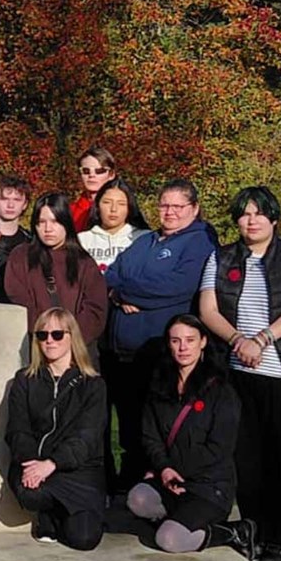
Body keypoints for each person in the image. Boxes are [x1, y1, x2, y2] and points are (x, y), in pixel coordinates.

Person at [198, 186, 281, 561]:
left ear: (273, 218)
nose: (251, 220)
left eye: (258, 213)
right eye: (244, 214)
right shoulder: (221, 258)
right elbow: (209, 309)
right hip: (237, 373)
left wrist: (261, 339)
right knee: (245, 459)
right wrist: (238, 341)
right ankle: (253, 530)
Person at [103, 179, 216, 495]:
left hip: (160, 355)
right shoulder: (146, 241)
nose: (169, 212)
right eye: (164, 205)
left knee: (154, 426)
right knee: (129, 426)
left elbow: (177, 286)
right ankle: (129, 488)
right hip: (123, 354)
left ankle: (156, 487)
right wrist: (117, 292)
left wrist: (125, 292)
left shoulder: (199, 242)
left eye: (178, 206)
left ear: (194, 208)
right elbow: (112, 274)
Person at [127, 314, 257, 559]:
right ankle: (179, 519)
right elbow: (150, 436)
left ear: (203, 342)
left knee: (169, 540)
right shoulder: (159, 385)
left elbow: (219, 448)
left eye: (190, 340)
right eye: (175, 341)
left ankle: (232, 532)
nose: (183, 347)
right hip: (170, 476)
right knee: (138, 499)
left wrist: (174, 470)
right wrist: (164, 469)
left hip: (208, 485)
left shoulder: (221, 391)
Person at [5, 308, 107, 551]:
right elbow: (17, 429)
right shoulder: (24, 380)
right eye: (42, 335)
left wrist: (52, 463)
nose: (49, 341)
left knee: (84, 539)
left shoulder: (93, 384)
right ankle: (47, 513)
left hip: (76, 469)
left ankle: (61, 513)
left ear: (72, 337)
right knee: (30, 493)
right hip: (35, 465)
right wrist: (32, 465)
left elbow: (87, 436)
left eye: (57, 334)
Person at [3, 194, 107, 349]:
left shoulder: (83, 262)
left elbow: (95, 308)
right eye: (41, 222)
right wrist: (46, 335)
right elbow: (18, 300)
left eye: (55, 221)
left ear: (66, 222)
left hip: (76, 348)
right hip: (35, 345)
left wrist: (70, 340)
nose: (48, 229)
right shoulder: (21, 257)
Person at [77, 180, 150, 274]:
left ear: (130, 207)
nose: (113, 209)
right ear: (98, 205)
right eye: (107, 202)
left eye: (121, 204)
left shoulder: (144, 238)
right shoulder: (82, 240)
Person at [71, 147, 118, 232]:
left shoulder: (121, 210)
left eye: (99, 171)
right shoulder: (69, 212)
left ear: (111, 174)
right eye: (86, 170)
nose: (91, 175)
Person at [0, 176, 32, 256]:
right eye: (4, 199)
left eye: (17, 200)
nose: (10, 205)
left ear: (25, 204)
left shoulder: (31, 242)